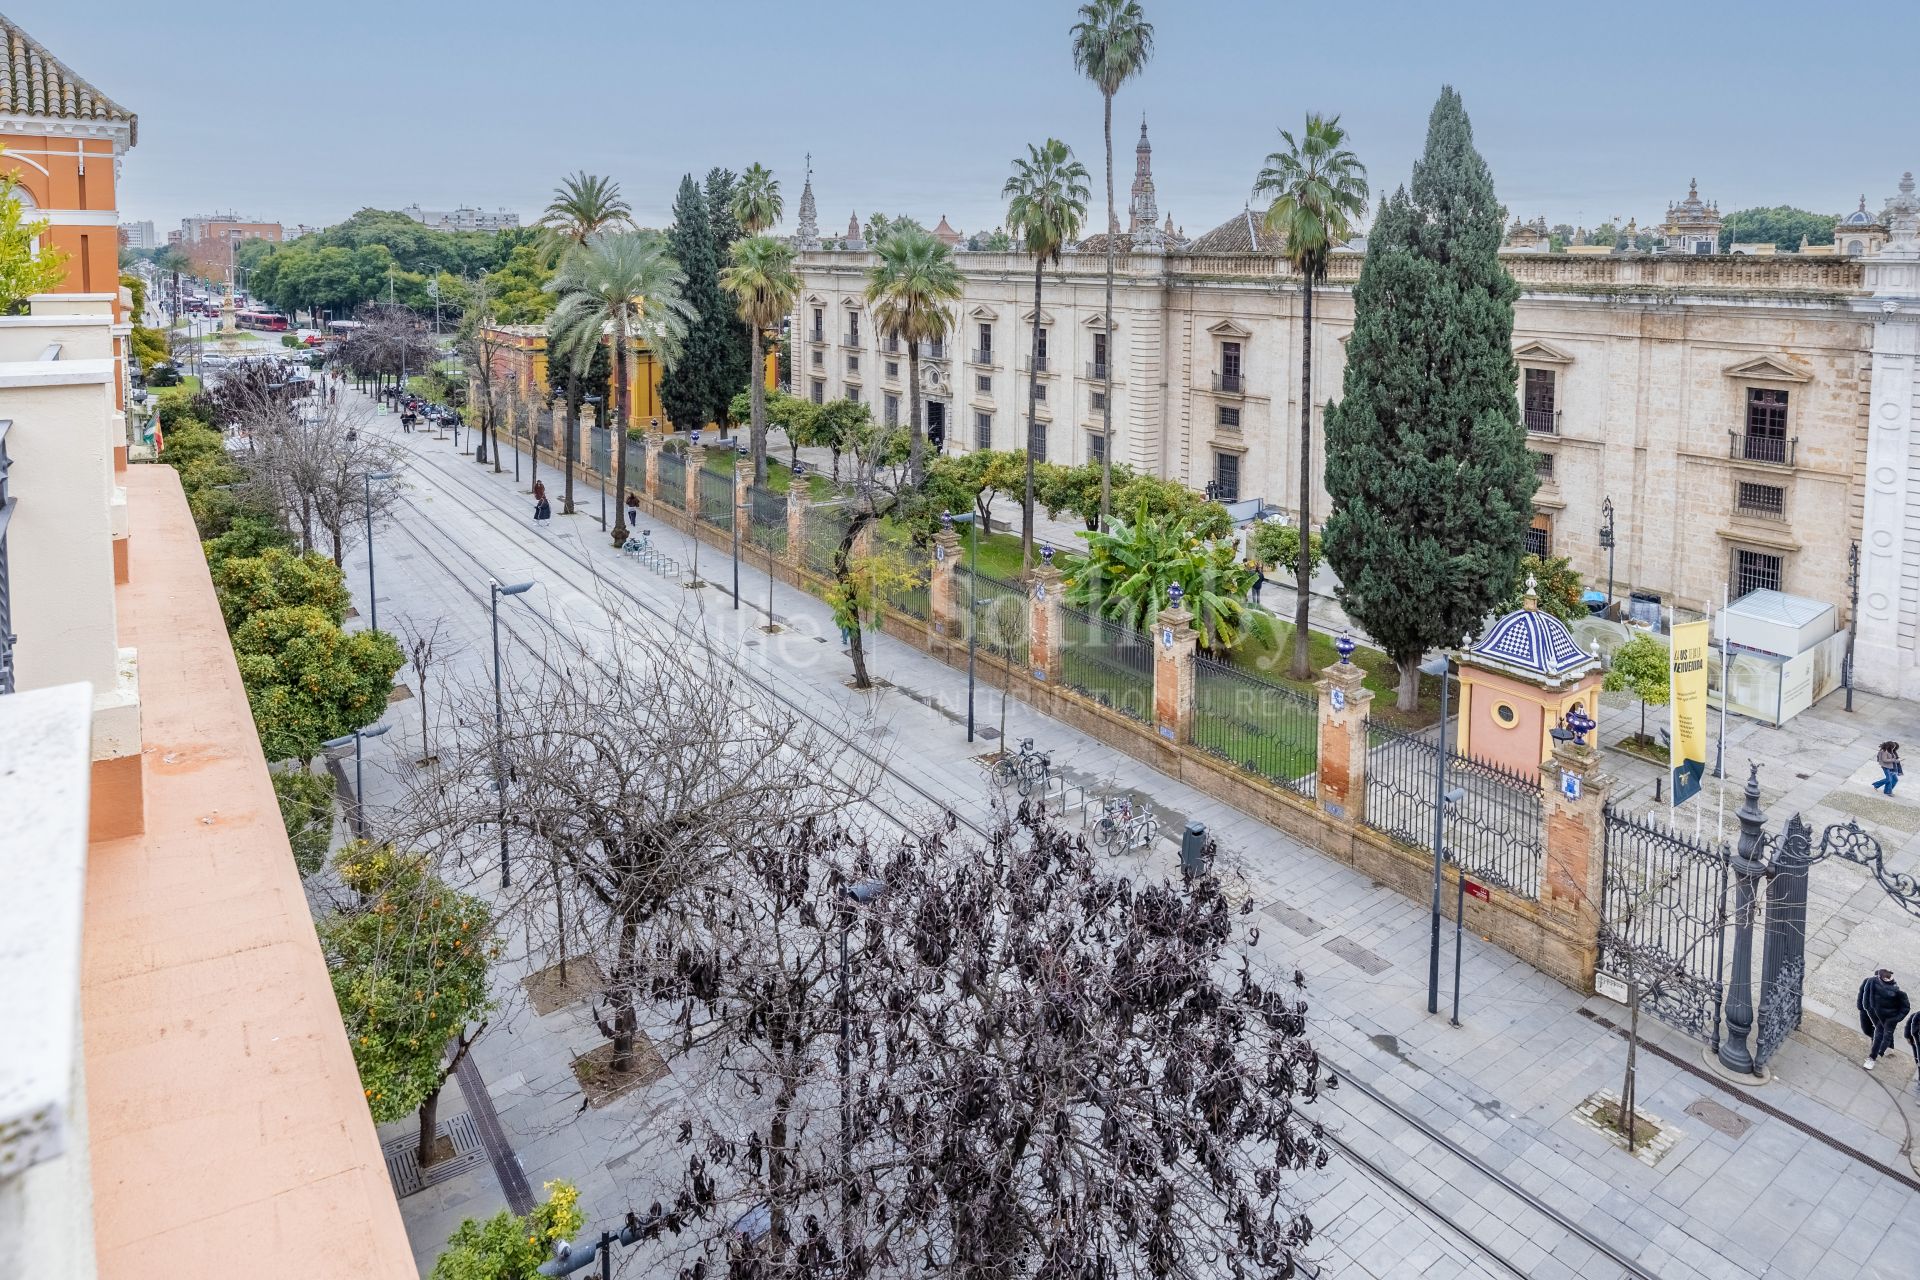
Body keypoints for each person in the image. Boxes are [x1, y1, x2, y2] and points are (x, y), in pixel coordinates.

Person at [1858, 968, 1910, 1069]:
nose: (1889, 981)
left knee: (1879, 1035)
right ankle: (1888, 1047)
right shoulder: (1872, 981)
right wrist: (1867, 1007)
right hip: (1874, 1012)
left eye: (1889, 979)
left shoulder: (1899, 992)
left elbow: (1906, 1008)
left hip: (1889, 1018)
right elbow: (1867, 992)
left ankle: (1872, 1058)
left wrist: (1895, 1019)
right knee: (1878, 1033)